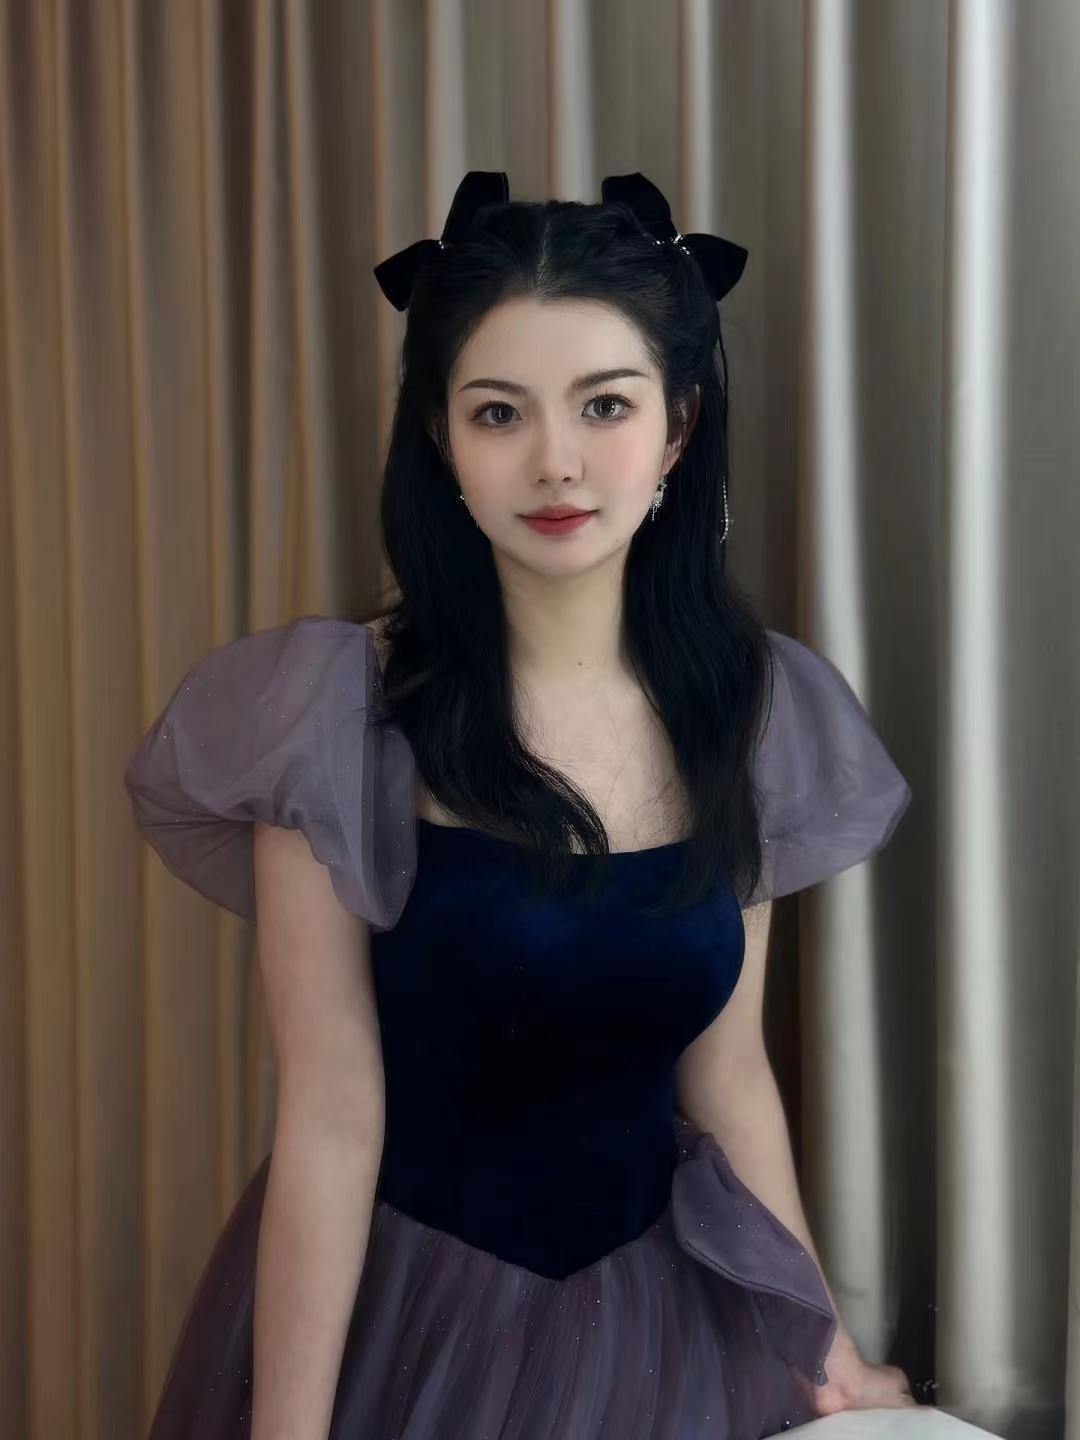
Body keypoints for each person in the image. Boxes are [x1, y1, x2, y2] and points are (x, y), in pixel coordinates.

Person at [124, 171, 916, 1439]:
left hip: (671, 1318)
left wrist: (830, 1352)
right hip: (415, 1319)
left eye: (606, 405)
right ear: (443, 440)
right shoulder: (335, 716)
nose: (556, 462)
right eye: (500, 412)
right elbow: (331, 1113)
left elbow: (729, 1079)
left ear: (677, 430)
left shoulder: (748, 712)